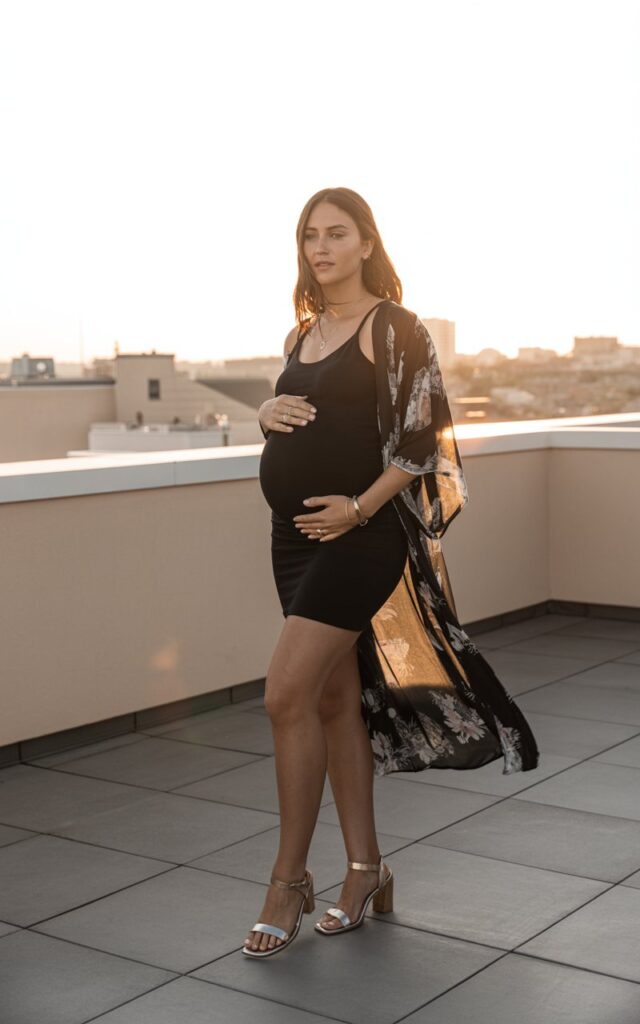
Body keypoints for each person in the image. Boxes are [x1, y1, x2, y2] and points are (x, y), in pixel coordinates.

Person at [244, 187, 539, 958]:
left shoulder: (396, 328)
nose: (321, 247)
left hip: (362, 535)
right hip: (296, 538)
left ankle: (288, 880)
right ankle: (366, 868)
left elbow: (419, 438)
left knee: (284, 695)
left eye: (337, 234)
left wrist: (358, 508)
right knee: (334, 700)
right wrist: (264, 414)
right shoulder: (300, 333)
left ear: (368, 243)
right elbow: (296, 421)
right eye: (309, 235)